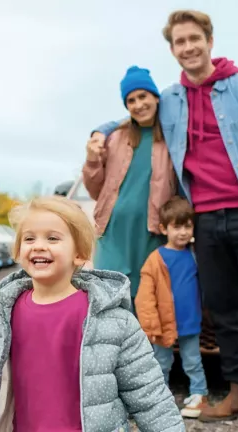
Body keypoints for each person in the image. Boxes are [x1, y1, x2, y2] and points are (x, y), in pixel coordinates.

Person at [90, 9, 238, 431]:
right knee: (221, 310)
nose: (188, 47)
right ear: (172, 50)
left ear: (209, 40)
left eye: (193, 39)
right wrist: (98, 130)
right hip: (204, 220)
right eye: (179, 42)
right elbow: (135, 112)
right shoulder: (171, 100)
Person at [0, 196, 184, 432]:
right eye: (29, 238)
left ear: (79, 254)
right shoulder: (4, 310)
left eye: (52, 238)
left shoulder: (109, 318)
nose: (38, 245)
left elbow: (146, 390)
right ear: (18, 251)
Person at [82, 66, 177, 316]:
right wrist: (92, 160)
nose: (138, 104)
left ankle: (146, 356)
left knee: (148, 303)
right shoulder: (115, 138)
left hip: (151, 234)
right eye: (131, 100)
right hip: (113, 234)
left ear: (156, 98)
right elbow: (95, 189)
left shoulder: (171, 137)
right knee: (110, 301)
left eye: (143, 96)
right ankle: (112, 356)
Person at [136, 196, 208, 419]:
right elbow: (145, 297)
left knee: (193, 360)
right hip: (163, 323)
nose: (183, 232)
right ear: (164, 229)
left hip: (190, 320)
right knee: (161, 362)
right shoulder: (156, 259)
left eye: (187, 226)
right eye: (177, 227)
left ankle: (199, 393)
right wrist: (150, 325)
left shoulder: (195, 255)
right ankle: (160, 395)